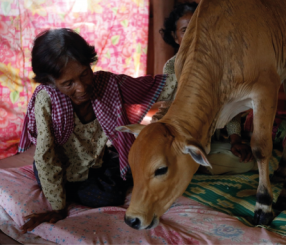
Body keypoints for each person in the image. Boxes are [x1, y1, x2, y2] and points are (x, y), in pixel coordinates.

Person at [18, 28, 177, 232]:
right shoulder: (46, 100)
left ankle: (91, 181)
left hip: (96, 162)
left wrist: (196, 78)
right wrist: (58, 207)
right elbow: (46, 157)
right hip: (60, 169)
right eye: (68, 83)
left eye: (85, 74)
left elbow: (155, 86)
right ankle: (64, 189)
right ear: (50, 82)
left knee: (137, 166)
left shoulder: (107, 84)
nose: (82, 88)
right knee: (108, 197)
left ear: (89, 64)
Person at [156, 2, 255, 175]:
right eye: (185, 31)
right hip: (182, 138)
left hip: (212, 140)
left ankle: (188, 166)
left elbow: (229, 108)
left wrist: (235, 141)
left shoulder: (219, 66)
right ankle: (189, 163)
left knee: (246, 162)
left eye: (198, 28)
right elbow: (167, 108)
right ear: (175, 36)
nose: (193, 36)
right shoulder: (172, 68)